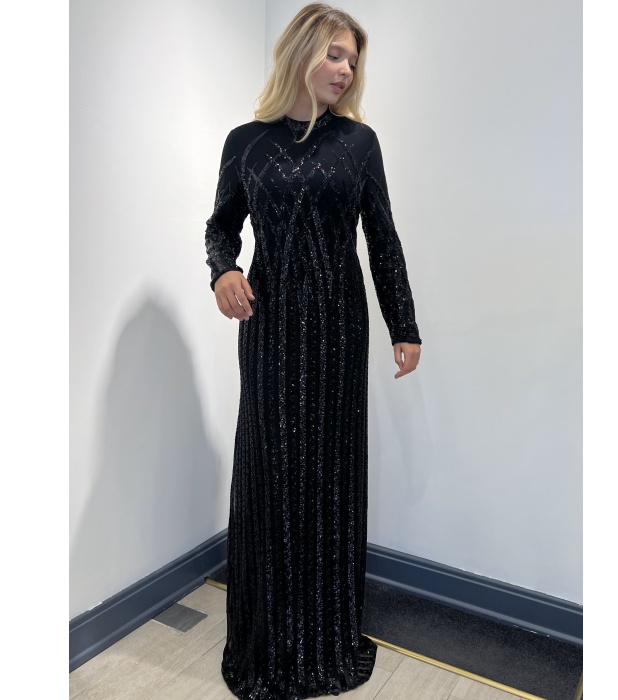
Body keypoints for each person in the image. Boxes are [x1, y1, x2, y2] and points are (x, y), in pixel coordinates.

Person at [204, 3, 422, 697]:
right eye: (335, 53)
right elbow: (220, 227)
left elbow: (382, 239)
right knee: (270, 472)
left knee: (329, 478)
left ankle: (325, 637)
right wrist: (223, 271)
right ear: (300, 51)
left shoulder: (359, 143)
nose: (346, 69)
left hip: (337, 329)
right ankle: (268, 640)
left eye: (353, 59)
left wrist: (405, 325)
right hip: (269, 327)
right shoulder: (245, 141)